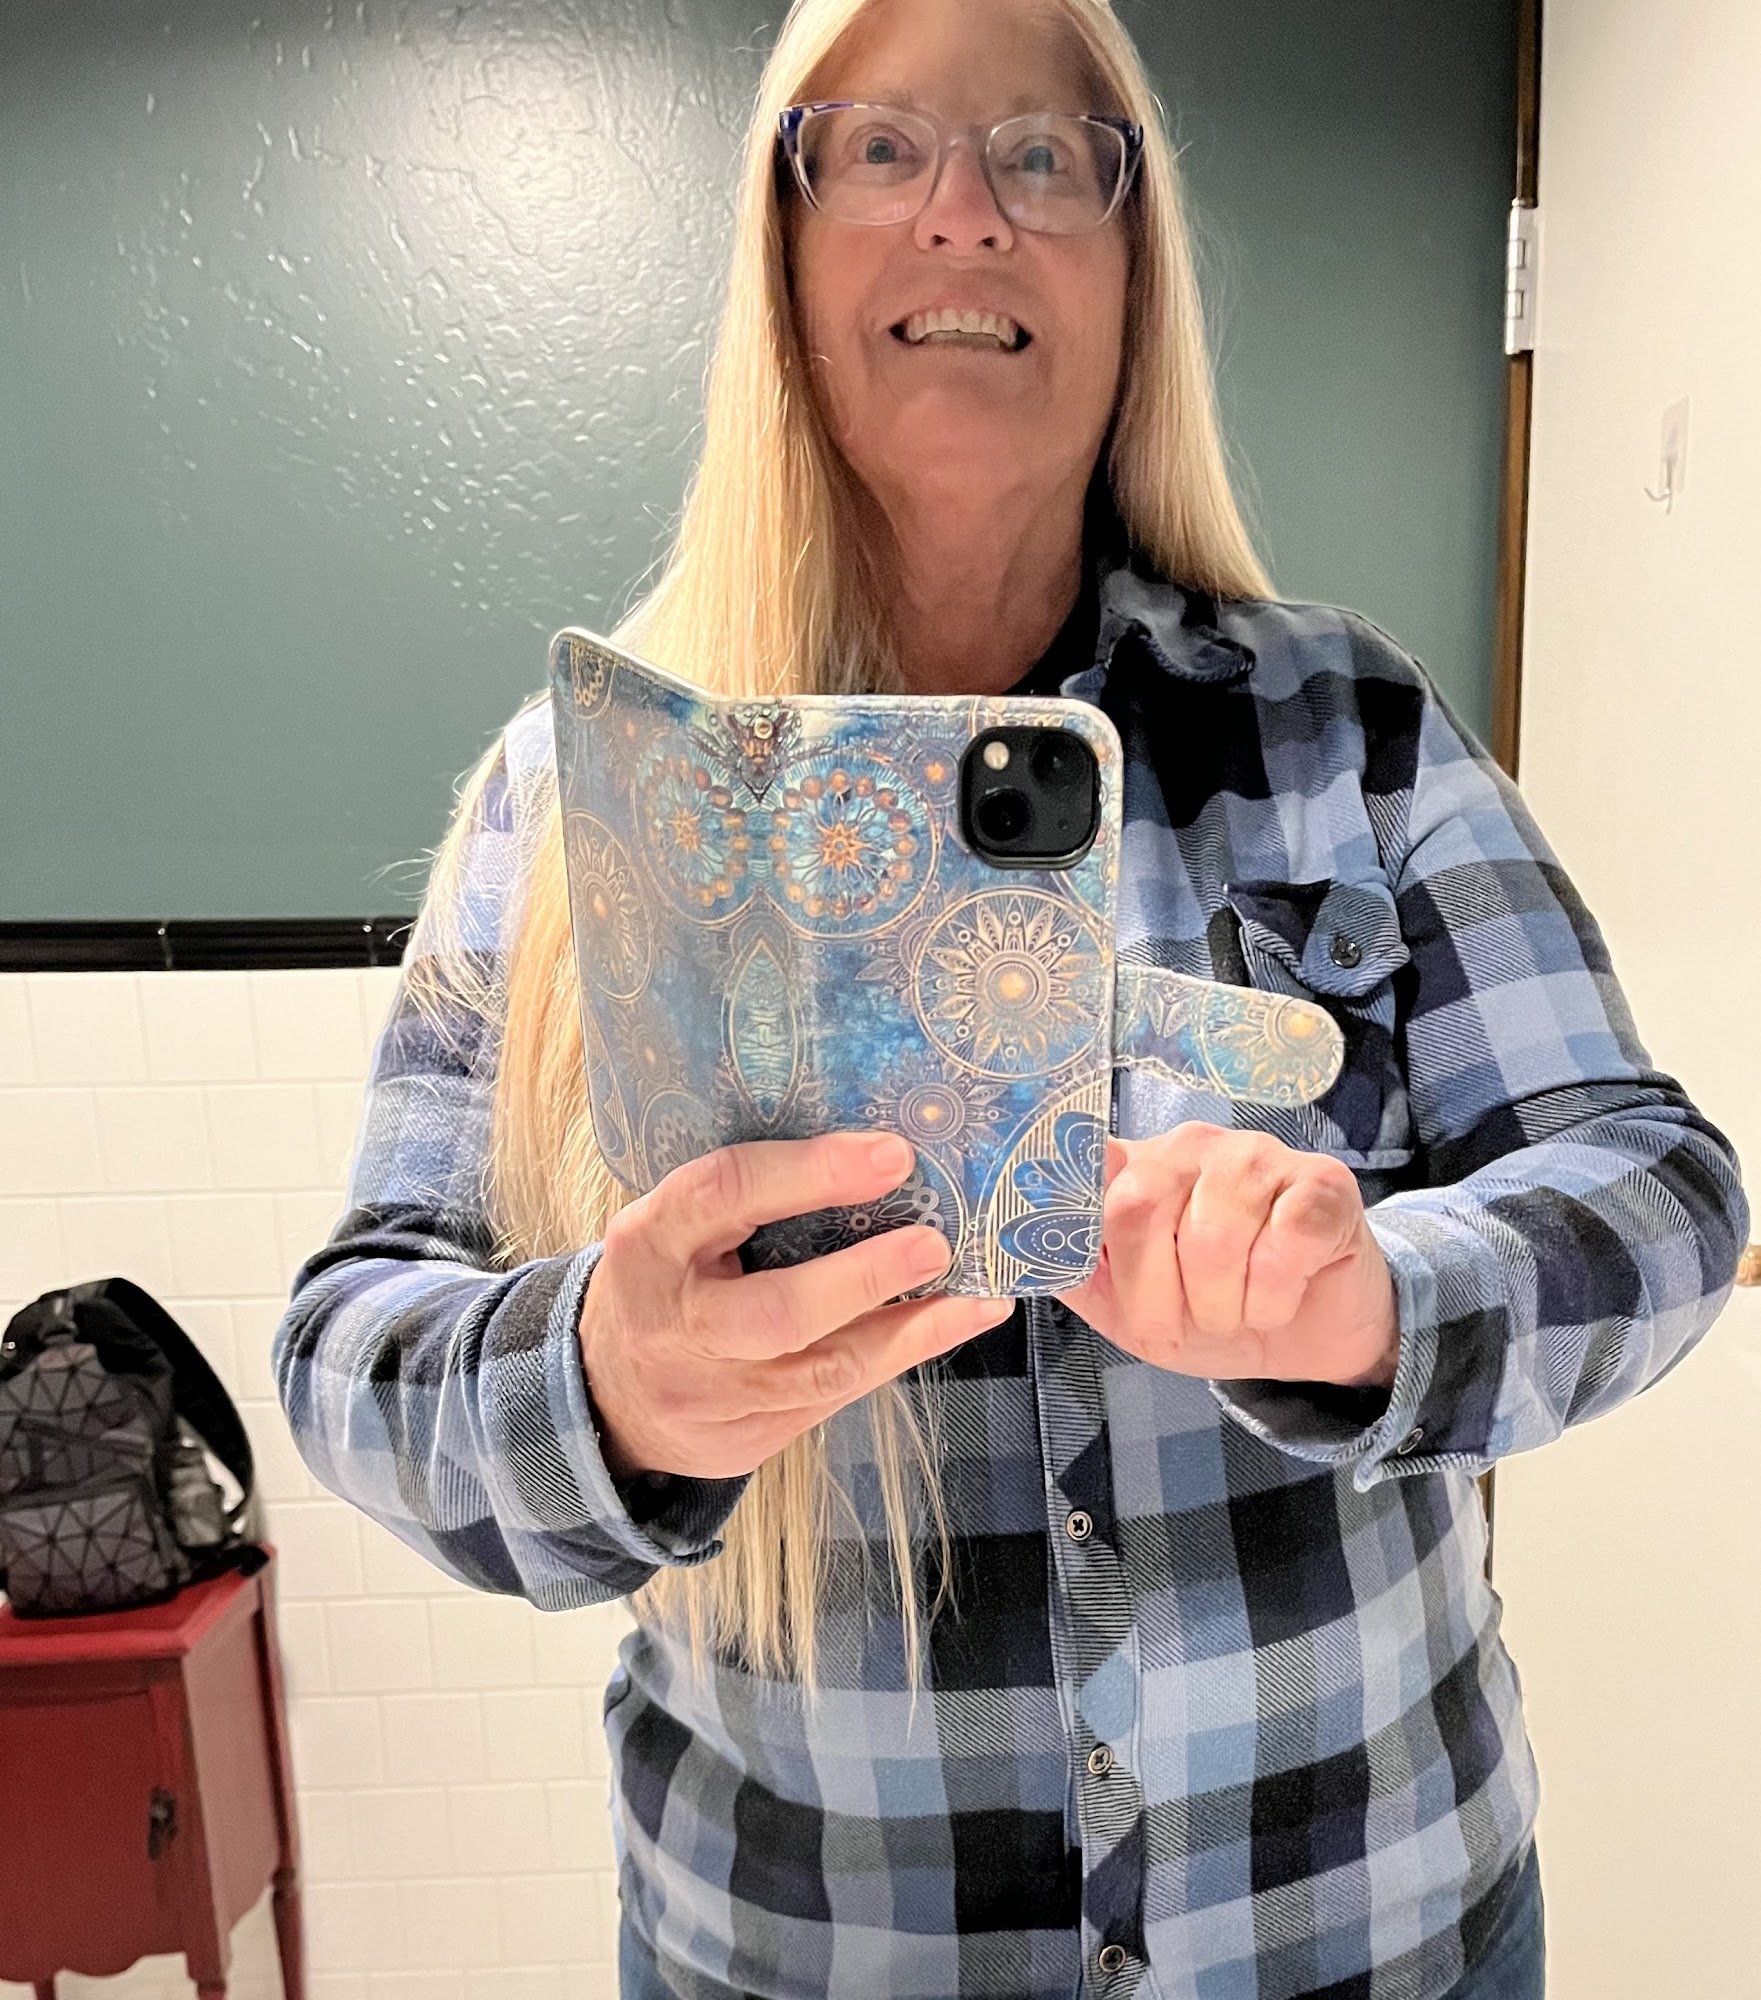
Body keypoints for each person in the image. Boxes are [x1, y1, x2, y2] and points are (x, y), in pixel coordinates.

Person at [274, 0, 1748, 1994]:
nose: (965, 211)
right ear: (780, 246)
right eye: (880, 148)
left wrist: (1372, 1303)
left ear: (1133, 278)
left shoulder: (1346, 730)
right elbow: (353, 1344)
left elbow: (1659, 1187)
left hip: (1377, 1936)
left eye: (1047, 155)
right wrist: (605, 1385)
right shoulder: (585, 796)